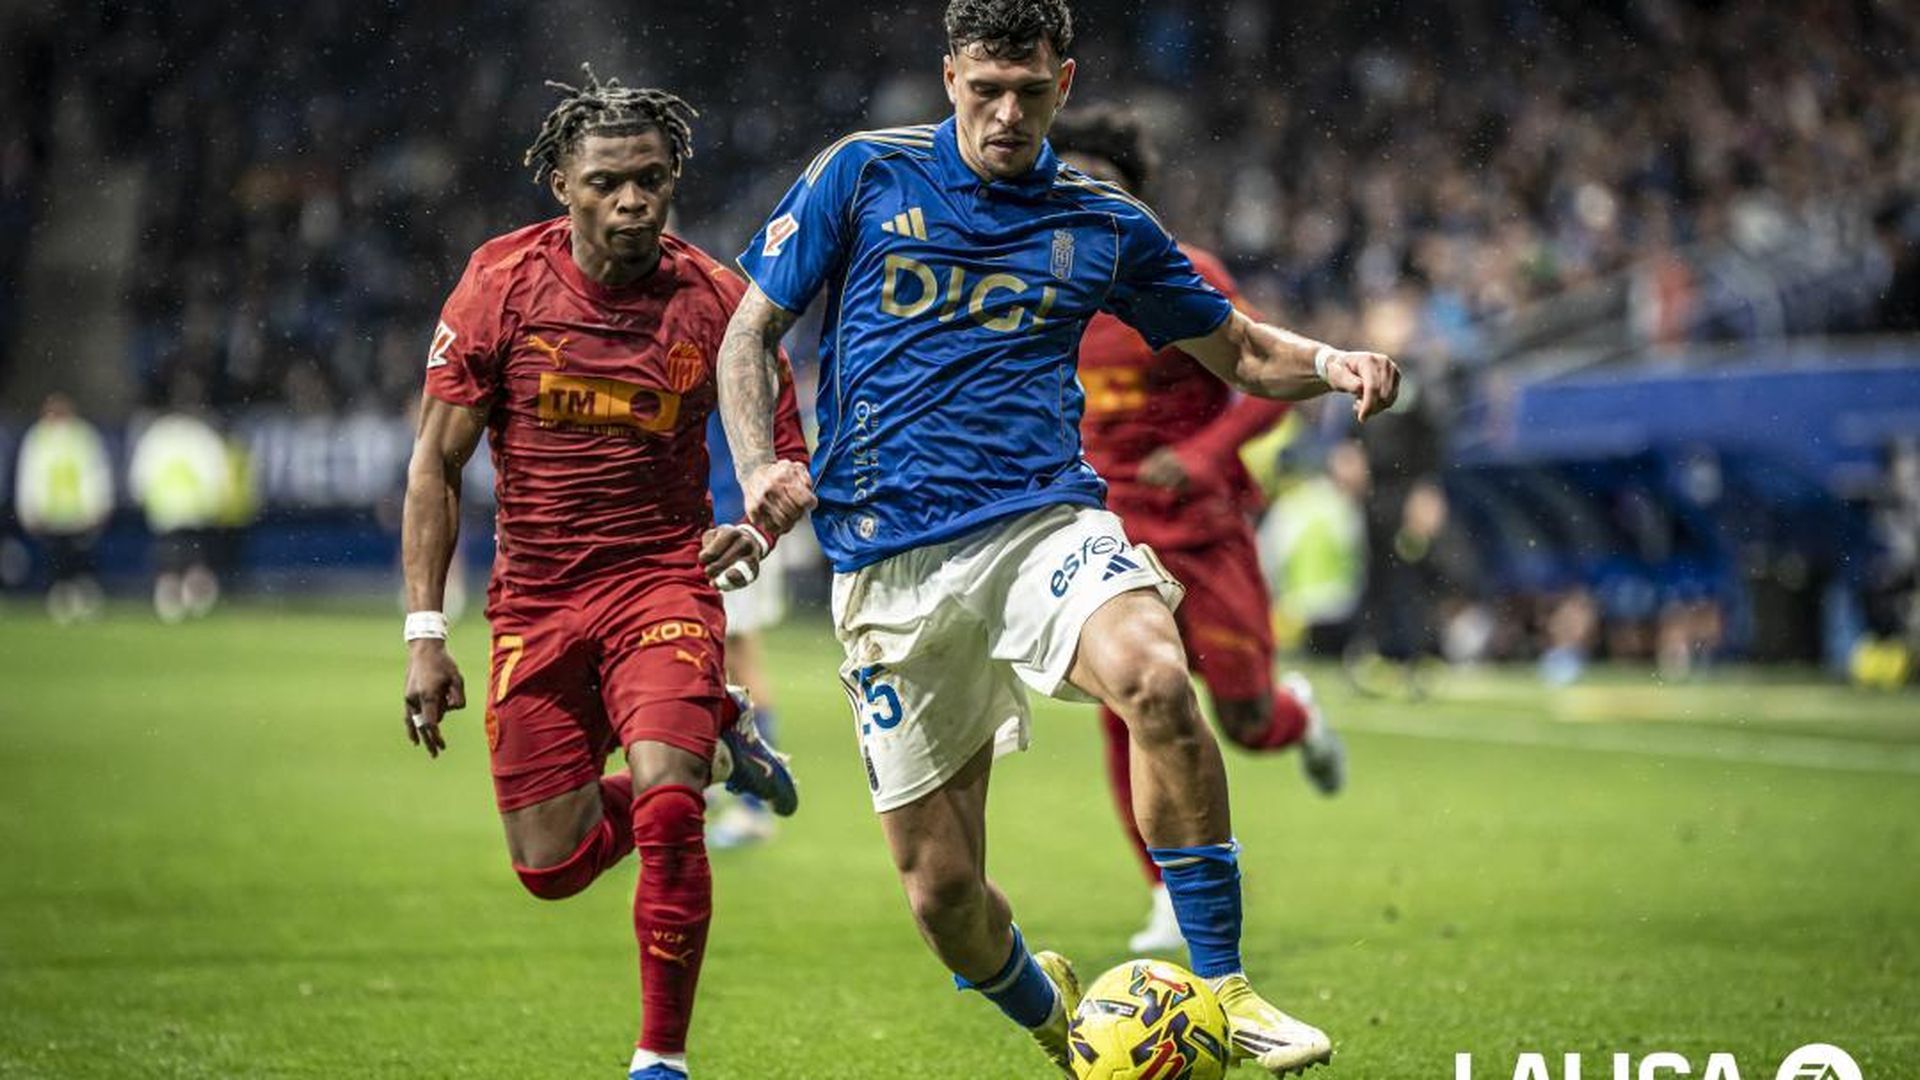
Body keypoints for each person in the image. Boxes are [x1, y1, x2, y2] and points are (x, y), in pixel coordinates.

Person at [718, 3, 1398, 1075]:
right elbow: (750, 330)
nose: (1006, 114)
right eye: (986, 89)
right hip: (887, 562)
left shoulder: (1102, 222)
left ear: (1064, 84)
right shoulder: (863, 173)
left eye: (1030, 93)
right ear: (950, 77)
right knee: (943, 896)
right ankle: (1057, 1025)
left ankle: (1227, 990)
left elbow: (1237, 349)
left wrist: (1329, 363)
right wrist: (761, 465)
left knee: (1156, 680)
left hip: (1041, 522)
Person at [397, 69, 806, 1080]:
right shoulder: (500, 285)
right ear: (560, 185)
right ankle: (717, 742)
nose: (633, 202)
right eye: (608, 182)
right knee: (551, 866)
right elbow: (436, 463)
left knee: (667, 810)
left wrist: (758, 525)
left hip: (662, 584)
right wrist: (425, 635)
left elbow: (789, 457)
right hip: (536, 599)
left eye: (651, 181)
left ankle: (660, 1057)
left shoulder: (718, 303)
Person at [1048, 105, 1347, 956]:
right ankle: (1166, 893)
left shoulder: (1182, 272)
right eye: (1069, 178)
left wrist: (1203, 453)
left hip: (1202, 530)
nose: (1083, 191)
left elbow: (1264, 377)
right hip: (1103, 534)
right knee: (1132, 706)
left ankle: (1297, 718)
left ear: (1133, 193)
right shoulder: (1039, 286)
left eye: (1100, 179)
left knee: (1244, 718)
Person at [702, 410, 793, 847]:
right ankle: (717, 784)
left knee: (738, 659)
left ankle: (755, 805)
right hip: (726, 520)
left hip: (734, 526)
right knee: (711, 660)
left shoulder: (724, 372)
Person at [128, 389, 230, 623]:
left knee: (180, 553)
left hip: (177, 508)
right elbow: (216, 469)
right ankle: (182, 597)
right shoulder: (197, 435)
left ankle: (182, 597)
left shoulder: (161, 435)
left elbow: (142, 469)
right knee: (182, 554)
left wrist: (140, 494)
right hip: (184, 507)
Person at [13, 393, 113, 624]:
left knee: (80, 558)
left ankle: (82, 598)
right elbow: (30, 476)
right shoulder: (37, 438)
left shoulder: (83, 435)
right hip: (51, 514)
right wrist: (29, 508)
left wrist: (98, 505)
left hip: (78, 513)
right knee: (57, 559)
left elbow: (95, 471)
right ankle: (61, 599)